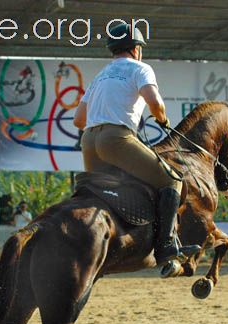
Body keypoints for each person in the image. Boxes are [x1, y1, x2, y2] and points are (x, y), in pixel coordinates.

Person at [72, 23, 199, 273]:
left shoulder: (101, 75)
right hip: (116, 140)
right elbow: (154, 102)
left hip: (88, 141)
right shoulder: (140, 68)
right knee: (171, 180)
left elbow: (78, 120)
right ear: (136, 49)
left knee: (104, 190)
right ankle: (165, 246)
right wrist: (162, 119)